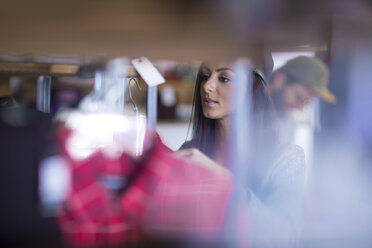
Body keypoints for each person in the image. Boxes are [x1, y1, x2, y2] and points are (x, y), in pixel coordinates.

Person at [175, 60, 306, 247]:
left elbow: (285, 234)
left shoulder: (286, 157)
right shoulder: (190, 150)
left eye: (225, 78)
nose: (207, 85)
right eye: (205, 76)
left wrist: (225, 182)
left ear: (251, 88)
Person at [266, 56, 336, 115]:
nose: (299, 108)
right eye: (298, 98)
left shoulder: (286, 122)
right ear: (280, 79)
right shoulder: (256, 106)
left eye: (305, 103)